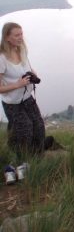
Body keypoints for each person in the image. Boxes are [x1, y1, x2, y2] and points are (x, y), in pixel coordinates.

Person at [0, 22, 45, 157]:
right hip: (13, 103)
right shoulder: (2, 58)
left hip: (27, 98)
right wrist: (17, 84)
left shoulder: (22, 49)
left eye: (21, 34)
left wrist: (33, 73)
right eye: (17, 35)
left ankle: (37, 156)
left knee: (39, 127)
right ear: (7, 38)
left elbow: (27, 67)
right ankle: (23, 159)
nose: (21, 37)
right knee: (26, 130)